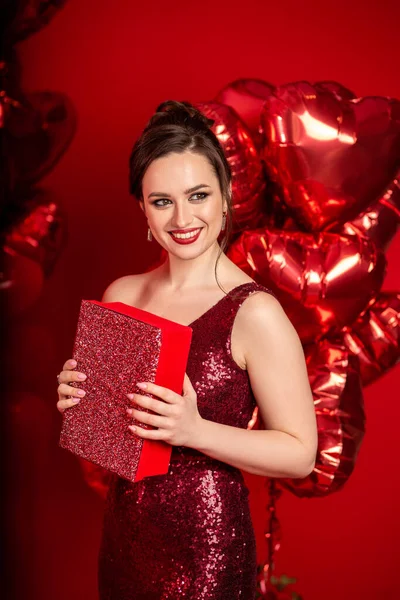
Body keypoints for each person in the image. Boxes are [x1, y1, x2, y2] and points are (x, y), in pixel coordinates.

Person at [56, 100, 318, 599]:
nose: (182, 218)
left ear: (226, 198)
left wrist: (194, 430)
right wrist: (82, 408)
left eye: (198, 195)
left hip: (206, 547)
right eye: (162, 201)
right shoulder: (122, 294)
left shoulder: (254, 311)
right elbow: (107, 454)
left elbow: (301, 455)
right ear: (143, 209)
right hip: (123, 538)